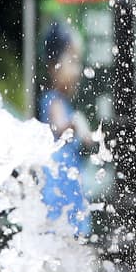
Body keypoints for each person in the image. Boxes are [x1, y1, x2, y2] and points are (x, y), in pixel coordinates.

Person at [37, 22, 94, 238]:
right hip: (58, 189)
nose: (77, 70)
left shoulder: (63, 104)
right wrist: (76, 123)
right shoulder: (54, 102)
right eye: (72, 61)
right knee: (61, 238)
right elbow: (60, 127)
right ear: (54, 66)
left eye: (78, 62)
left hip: (67, 186)